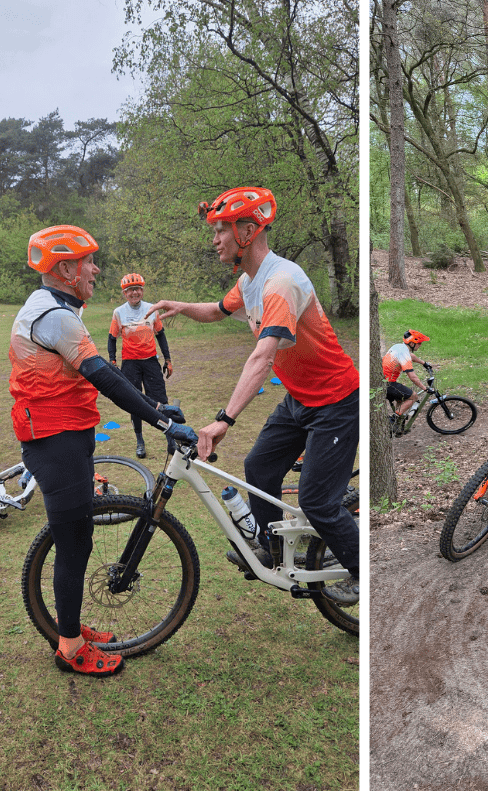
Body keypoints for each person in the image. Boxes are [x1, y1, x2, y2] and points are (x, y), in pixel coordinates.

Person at [149, 187, 360, 604]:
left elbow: (263, 357)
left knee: (318, 502)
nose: (215, 240)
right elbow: (216, 309)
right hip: (300, 399)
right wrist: (180, 306)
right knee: (258, 466)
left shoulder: (280, 283)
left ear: (247, 231)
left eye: (220, 231)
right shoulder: (250, 281)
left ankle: (363, 575)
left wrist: (224, 419)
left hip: (336, 401)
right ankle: (274, 550)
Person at [9, 225, 197, 677]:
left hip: (62, 433)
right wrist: (163, 422)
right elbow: (106, 378)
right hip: (55, 439)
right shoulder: (55, 315)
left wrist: (154, 404)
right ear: (66, 268)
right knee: (73, 542)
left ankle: (69, 627)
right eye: (89, 262)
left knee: (78, 538)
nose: (95, 269)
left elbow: (99, 373)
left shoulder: (54, 308)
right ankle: (70, 646)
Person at [108, 273, 174, 458]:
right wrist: (113, 361)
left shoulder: (152, 309)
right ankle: (140, 441)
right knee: (134, 402)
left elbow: (160, 334)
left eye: (137, 289)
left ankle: (171, 438)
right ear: (124, 294)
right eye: (130, 290)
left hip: (150, 361)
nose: (134, 292)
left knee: (161, 400)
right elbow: (112, 338)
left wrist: (167, 359)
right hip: (130, 364)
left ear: (142, 290)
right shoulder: (118, 312)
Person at [383, 330, 430, 417]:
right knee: (413, 396)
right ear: (412, 344)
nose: (420, 345)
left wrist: (424, 363)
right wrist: (425, 388)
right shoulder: (404, 353)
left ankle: (398, 423)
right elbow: (412, 377)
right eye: (419, 343)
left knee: (402, 398)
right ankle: (394, 420)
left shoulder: (398, 347)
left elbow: (411, 356)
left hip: (384, 381)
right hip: (388, 384)